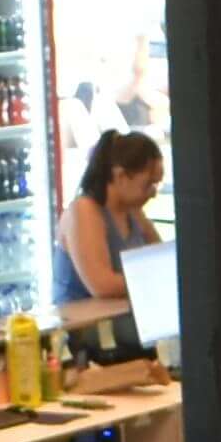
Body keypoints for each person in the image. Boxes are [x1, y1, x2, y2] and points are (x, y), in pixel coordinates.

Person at [60, 128, 164, 331]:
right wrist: (154, 279)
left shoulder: (134, 213)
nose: (153, 193)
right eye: (148, 184)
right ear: (121, 176)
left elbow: (162, 262)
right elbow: (102, 285)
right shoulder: (84, 210)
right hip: (79, 332)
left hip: (120, 327)